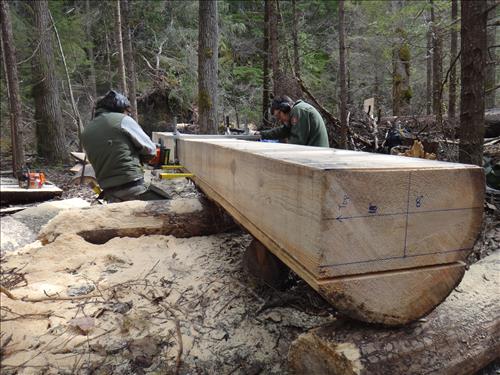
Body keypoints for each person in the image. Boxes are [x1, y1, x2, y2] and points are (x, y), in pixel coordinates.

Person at [81, 90, 166, 202]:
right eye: (127, 112)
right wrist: (141, 158)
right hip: (132, 187)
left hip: (109, 193)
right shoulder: (122, 120)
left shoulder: (86, 131)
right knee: (169, 205)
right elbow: (150, 150)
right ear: (121, 108)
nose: (128, 114)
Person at [259, 96, 329, 147]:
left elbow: (297, 143)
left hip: (317, 156)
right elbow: (282, 131)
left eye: (279, 116)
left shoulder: (299, 110)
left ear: (285, 108)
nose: (279, 120)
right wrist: (261, 134)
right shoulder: (297, 111)